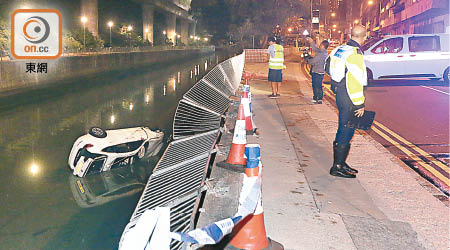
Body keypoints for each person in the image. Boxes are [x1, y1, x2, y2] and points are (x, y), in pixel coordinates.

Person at [325, 25, 368, 178]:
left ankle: (341, 162)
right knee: (347, 128)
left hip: (340, 92)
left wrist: (336, 82)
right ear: (364, 36)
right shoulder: (355, 54)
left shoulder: (340, 48)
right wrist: (359, 103)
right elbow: (355, 81)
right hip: (349, 95)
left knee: (345, 126)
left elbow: (327, 65)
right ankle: (337, 166)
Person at [306, 38, 329, 104]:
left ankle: (318, 98)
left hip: (317, 72)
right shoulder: (322, 51)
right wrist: (312, 42)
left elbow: (313, 61)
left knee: (316, 85)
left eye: (321, 45)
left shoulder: (321, 54)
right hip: (319, 71)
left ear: (324, 46)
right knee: (317, 85)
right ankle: (318, 98)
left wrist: (308, 60)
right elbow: (315, 49)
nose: (320, 46)